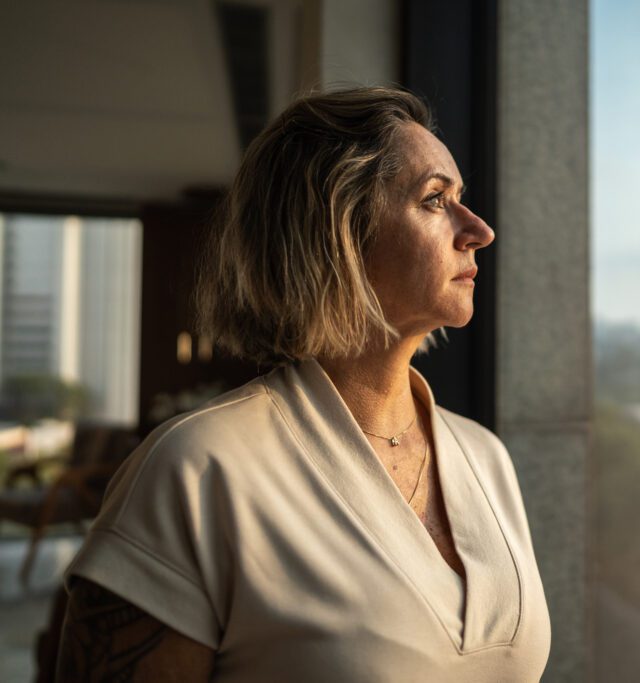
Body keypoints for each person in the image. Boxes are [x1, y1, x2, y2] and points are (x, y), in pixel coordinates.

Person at [55, 87, 551, 682]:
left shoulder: (485, 457)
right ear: (337, 232)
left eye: (460, 199)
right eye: (435, 199)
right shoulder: (197, 471)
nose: (479, 230)